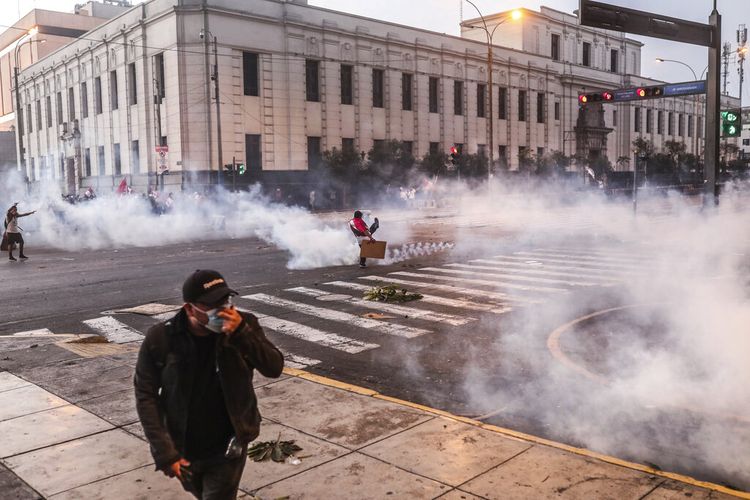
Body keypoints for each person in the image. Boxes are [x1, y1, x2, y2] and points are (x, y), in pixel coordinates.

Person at [134, 270, 284, 499]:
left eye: (225, 301)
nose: (222, 309)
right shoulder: (161, 338)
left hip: (227, 445)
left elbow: (274, 368)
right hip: (183, 444)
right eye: (211, 305)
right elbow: (146, 395)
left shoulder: (244, 325)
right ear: (189, 308)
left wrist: (242, 334)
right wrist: (165, 452)